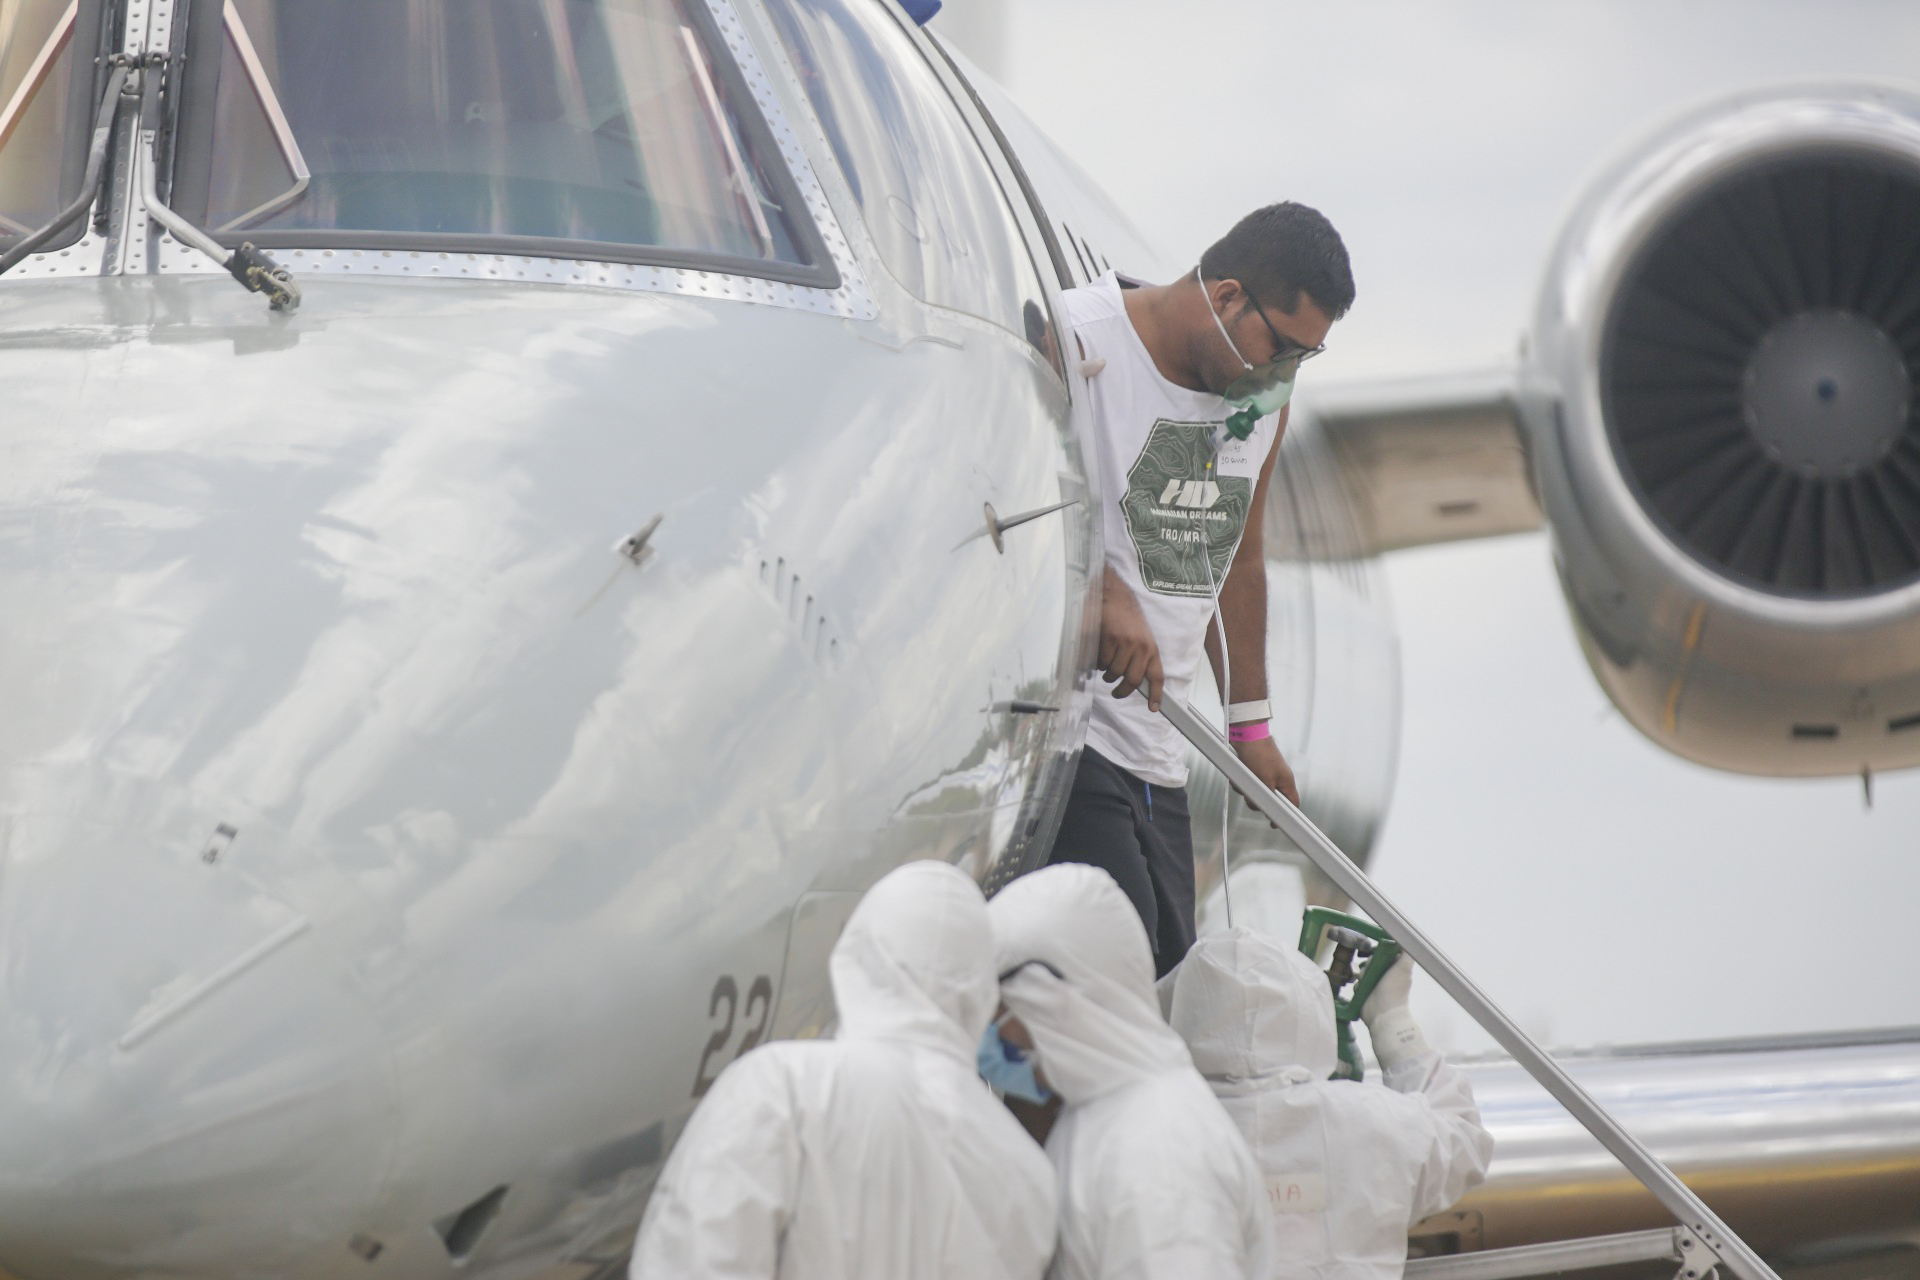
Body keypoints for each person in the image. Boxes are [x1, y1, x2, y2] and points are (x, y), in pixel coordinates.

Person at [1049, 202, 1356, 977]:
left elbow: (1240, 557)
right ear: (1226, 297)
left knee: (1172, 978)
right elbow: (1017, 488)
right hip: (1071, 736)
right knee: (1117, 987)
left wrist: (1249, 728)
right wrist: (1098, 591)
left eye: (1305, 358)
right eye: (1283, 346)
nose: (1284, 373)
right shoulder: (1077, 337)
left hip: (1160, 751)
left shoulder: (1259, 407)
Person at [629, 861, 1057, 1279]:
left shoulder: (780, 1088)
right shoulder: (1029, 1176)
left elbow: (696, 1260)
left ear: (859, 950)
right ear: (981, 985)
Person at [986, 862, 1273, 1279]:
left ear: (1053, 1001)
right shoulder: (1105, 1113)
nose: (989, 1034)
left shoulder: (1158, 1160)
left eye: (999, 1010)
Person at [1164, 927, 1494, 1280]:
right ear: (1305, 1004)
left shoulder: (1149, 1136)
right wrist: (1392, 1023)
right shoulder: (1367, 1123)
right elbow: (1463, 1141)